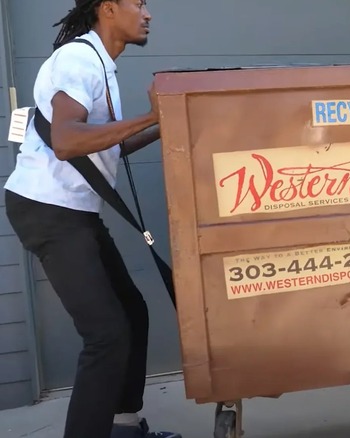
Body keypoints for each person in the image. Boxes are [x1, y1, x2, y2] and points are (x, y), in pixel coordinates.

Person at [3, 1, 181, 437]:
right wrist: (153, 114)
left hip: (73, 211)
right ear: (107, 9)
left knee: (131, 311)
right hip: (50, 210)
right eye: (138, 3)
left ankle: (121, 424)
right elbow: (66, 140)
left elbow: (104, 148)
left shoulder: (101, 66)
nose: (148, 13)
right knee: (106, 335)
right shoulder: (79, 57)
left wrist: (169, 122)